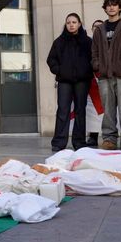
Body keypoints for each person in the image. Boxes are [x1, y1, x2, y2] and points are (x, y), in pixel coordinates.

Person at [91, 0, 121, 152]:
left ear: (119, 8)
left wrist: (120, 63)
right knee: (108, 110)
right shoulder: (99, 29)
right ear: (105, 8)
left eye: (114, 5)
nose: (111, 8)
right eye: (108, 6)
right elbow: (95, 51)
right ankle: (109, 139)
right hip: (104, 76)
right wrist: (97, 65)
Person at [47, 13, 93, 151]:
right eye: (68, 22)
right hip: (64, 81)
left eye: (74, 22)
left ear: (79, 24)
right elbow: (51, 60)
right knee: (62, 110)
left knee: (80, 110)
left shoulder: (88, 41)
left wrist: (87, 71)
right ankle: (58, 142)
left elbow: (94, 58)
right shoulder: (59, 42)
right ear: (65, 25)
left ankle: (79, 142)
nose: (71, 25)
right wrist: (59, 71)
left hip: (82, 81)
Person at [85, 19, 104, 147]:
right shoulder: (87, 43)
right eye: (94, 27)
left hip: (106, 78)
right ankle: (93, 136)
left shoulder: (109, 42)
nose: (97, 29)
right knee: (93, 110)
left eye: (100, 27)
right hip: (91, 80)